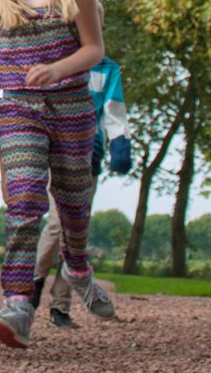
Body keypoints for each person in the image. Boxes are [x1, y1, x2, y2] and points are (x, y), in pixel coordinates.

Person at [0, 0, 115, 349]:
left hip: (71, 110)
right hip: (18, 109)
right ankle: (17, 304)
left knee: (73, 207)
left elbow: (95, 50)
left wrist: (59, 68)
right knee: (25, 199)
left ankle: (78, 267)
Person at [33, 53, 133, 328]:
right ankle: (34, 282)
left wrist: (120, 143)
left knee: (76, 229)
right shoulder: (56, 59)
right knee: (57, 223)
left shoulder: (107, 70)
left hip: (90, 154)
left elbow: (114, 109)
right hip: (58, 149)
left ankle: (60, 306)